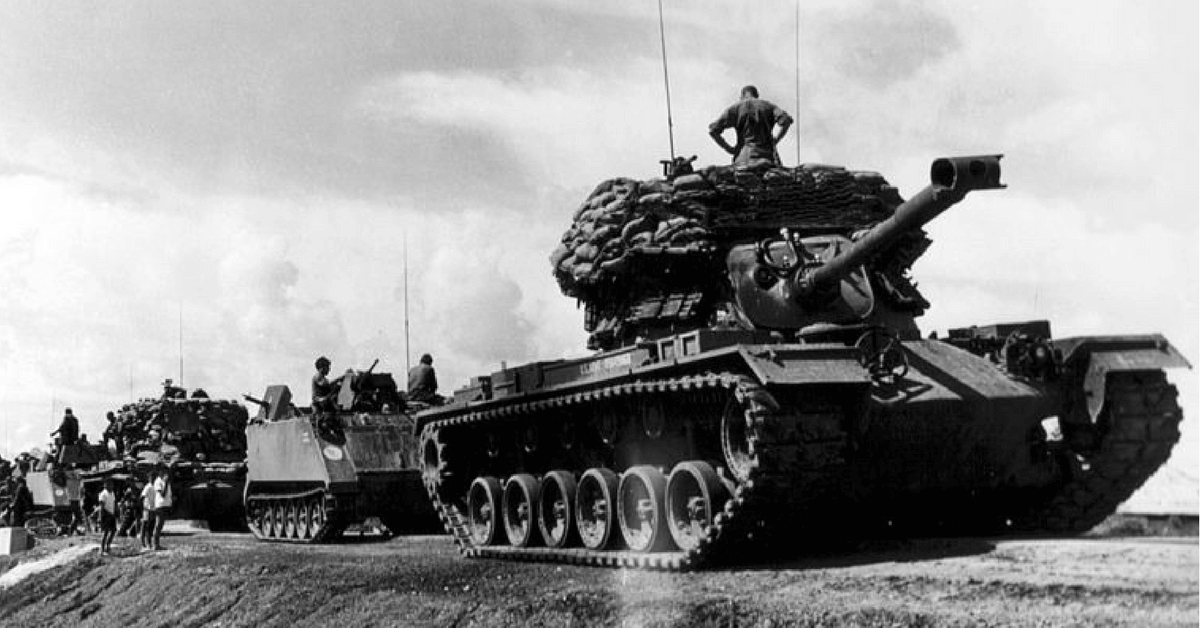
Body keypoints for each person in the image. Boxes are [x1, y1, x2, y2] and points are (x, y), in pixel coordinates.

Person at [708, 85, 793, 169]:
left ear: (742, 96)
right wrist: (776, 140)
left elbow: (713, 131)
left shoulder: (735, 108)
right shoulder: (768, 106)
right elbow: (786, 121)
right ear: (757, 95)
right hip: (766, 159)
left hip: (742, 160)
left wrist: (729, 149)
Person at [151, 466, 173, 550]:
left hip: (165, 504)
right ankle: (155, 544)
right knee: (158, 524)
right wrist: (166, 483)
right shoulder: (158, 482)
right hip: (160, 505)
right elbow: (162, 494)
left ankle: (157, 544)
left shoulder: (164, 481)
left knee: (160, 525)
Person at [97, 479, 117, 554]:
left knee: (113, 531)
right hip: (106, 514)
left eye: (112, 484)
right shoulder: (103, 494)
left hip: (111, 514)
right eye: (109, 484)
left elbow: (114, 503)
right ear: (105, 485)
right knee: (105, 532)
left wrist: (115, 512)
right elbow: (101, 506)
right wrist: (100, 517)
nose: (111, 486)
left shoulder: (112, 493)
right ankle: (102, 549)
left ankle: (108, 546)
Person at [139, 478, 156, 550]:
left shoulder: (155, 486)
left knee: (150, 527)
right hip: (147, 509)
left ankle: (148, 543)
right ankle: (145, 544)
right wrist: (143, 507)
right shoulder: (148, 486)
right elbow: (142, 497)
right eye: (152, 477)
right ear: (149, 478)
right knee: (146, 527)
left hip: (153, 509)